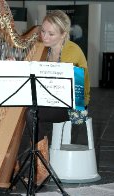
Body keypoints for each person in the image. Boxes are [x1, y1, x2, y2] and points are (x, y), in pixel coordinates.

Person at [25, 10, 90, 184]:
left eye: (51, 33)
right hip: (49, 101)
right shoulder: (42, 50)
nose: (45, 37)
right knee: (24, 109)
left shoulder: (72, 52)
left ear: (63, 35)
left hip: (73, 105)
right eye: (43, 31)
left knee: (32, 114)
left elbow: (75, 91)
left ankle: (41, 166)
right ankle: (34, 162)